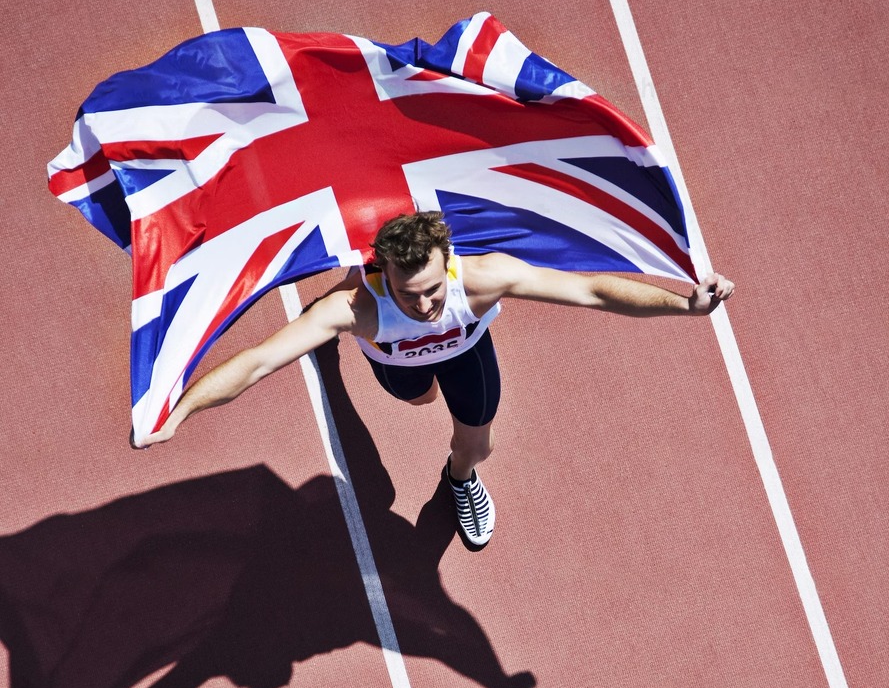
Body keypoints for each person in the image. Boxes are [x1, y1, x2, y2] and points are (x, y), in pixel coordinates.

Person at [135, 212, 734, 549]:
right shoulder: (356, 309)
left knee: (478, 445)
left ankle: (460, 480)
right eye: (408, 293)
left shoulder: (483, 277)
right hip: (398, 362)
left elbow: (592, 291)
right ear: (382, 274)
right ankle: (333, 353)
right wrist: (179, 412)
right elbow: (257, 362)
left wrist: (684, 305)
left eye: (431, 290)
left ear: (448, 260)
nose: (423, 306)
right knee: (419, 399)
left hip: (467, 352)